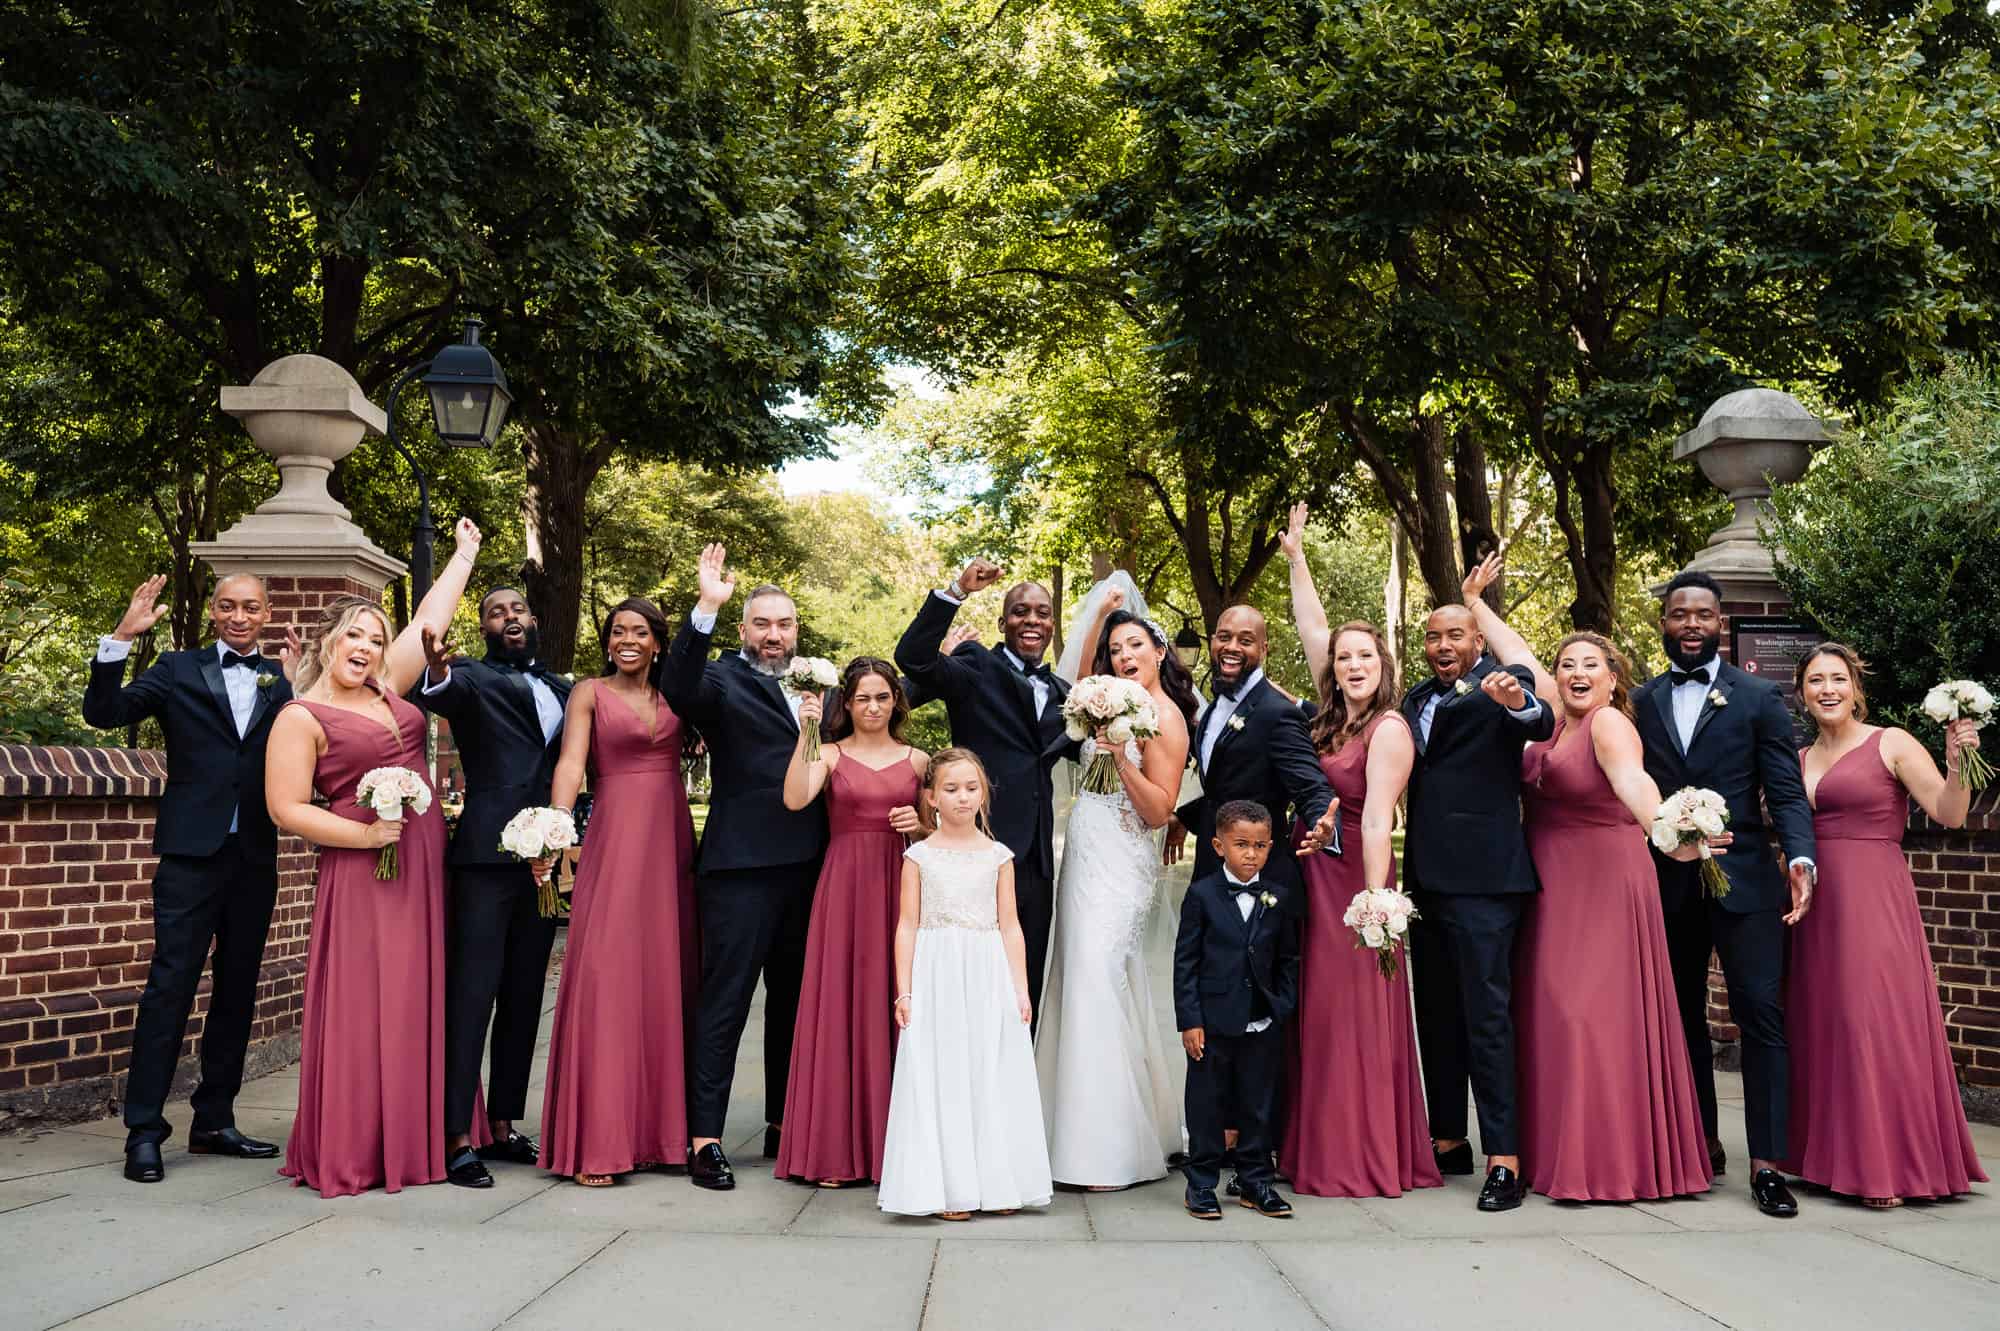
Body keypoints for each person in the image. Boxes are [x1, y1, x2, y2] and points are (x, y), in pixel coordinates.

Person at [1462, 555, 1712, 1202]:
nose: (1574, 673)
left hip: (1605, 879)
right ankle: (1556, 1153)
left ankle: (1607, 1159)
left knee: (1589, 1015)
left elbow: (1635, 784)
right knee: (1548, 1012)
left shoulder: (1606, 723)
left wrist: (1674, 834)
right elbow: (1515, 648)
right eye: (1566, 664)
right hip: (1549, 884)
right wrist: (1474, 600)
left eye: (1588, 665)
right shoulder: (1553, 716)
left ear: (1613, 679)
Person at [264, 518, 483, 1197]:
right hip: (361, 869)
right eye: (354, 635)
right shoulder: (301, 716)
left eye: (375, 637)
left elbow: (427, 619)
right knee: (367, 1001)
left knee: (421, 991)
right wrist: (361, 837)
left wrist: (464, 556)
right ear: (330, 641)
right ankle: (359, 1143)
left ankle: (426, 1133)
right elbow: (286, 806)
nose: (366, 646)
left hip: (420, 862)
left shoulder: (391, 685)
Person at [83, 573, 297, 1185]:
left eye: (250, 607)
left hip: (255, 855)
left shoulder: (280, 681)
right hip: (188, 854)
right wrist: (123, 636)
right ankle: (144, 1131)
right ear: (211, 611)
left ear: (265, 613)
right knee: (170, 987)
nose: (238, 616)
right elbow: (104, 713)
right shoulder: (178, 669)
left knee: (237, 988)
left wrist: (301, 684)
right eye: (227, 605)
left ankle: (215, 1119)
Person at [1632, 570, 1817, 1219]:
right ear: (1664, 623)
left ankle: (1767, 1162)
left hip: (1747, 884)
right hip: (1669, 885)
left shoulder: (1758, 698)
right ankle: (1698, 1142)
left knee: (1760, 1015)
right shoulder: (1641, 699)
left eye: (1702, 615)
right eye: (1678, 614)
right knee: (1680, 1019)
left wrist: (1800, 855)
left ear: (1721, 623)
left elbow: (1785, 790)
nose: (1690, 624)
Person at [1782, 644, 1987, 1208]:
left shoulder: (1889, 742)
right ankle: (1824, 1159)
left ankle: (1886, 1166)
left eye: (1838, 680)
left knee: (1870, 1019)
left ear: (1856, 688)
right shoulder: (1796, 757)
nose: (1827, 689)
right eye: (1816, 681)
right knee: (1822, 1022)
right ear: (1801, 692)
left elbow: (1950, 813)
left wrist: (1958, 761)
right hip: (1813, 902)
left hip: (1873, 896)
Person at [1277, 507, 1439, 1198]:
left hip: (1354, 881)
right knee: (1312, 1009)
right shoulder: (1329, 715)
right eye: (1344, 658)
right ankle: (1310, 1137)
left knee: (1349, 1010)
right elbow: (1315, 627)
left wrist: (1374, 901)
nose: (1351, 664)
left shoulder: (1390, 728)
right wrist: (1296, 558)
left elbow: (1377, 819)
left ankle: (1358, 1150)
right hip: (1310, 867)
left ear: (1384, 665)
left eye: (1364, 656)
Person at [664, 543, 825, 1190]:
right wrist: (706, 602)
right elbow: (677, 687)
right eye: (762, 623)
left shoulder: (819, 682)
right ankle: (704, 1137)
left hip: (812, 863)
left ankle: (787, 1124)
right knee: (725, 1001)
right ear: (743, 630)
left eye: (784, 624)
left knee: (794, 1000)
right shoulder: (720, 679)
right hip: (740, 867)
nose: (774, 634)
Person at [535, 597, 700, 1187]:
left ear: (658, 642)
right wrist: (555, 828)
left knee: (665, 976)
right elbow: (572, 764)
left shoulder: (679, 694)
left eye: (639, 632)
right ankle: (597, 1140)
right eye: (617, 632)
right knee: (607, 972)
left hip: (671, 841)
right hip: (616, 834)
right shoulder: (588, 692)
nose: (626, 640)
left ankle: (658, 1136)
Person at [1036, 586, 1196, 1190]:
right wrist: (1100, 617)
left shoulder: (1166, 718)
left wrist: (1118, 756)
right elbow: (1077, 684)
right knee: (1076, 971)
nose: (1124, 654)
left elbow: (1159, 811)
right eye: (1115, 648)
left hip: (1125, 857)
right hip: (1084, 844)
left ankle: (1104, 1151)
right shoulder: (1103, 700)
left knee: (1099, 974)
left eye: (1135, 644)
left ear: (1158, 650)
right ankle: (1067, 1130)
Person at [413, 585, 571, 1188]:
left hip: (545, 860)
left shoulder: (563, 687)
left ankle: (503, 1124)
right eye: (495, 611)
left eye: (517, 609)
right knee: (472, 994)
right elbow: (440, 692)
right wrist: (436, 666)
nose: (509, 617)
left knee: (526, 993)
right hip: (484, 856)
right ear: (483, 626)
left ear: (534, 619)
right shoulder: (470, 676)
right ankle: (457, 1134)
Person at [1400, 595, 1552, 1212]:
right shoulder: (1412, 700)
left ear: (1474, 640)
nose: (1442, 646)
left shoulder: (1502, 683)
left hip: (1488, 883)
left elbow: (1536, 718)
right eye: (1434, 636)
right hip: (1426, 881)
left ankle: (1505, 1158)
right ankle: (1448, 1138)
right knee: (1436, 1014)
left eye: (1455, 635)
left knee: (1488, 1019)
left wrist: (1518, 702)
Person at [893, 558, 1077, 1021]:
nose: (1032, 620)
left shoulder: (1064, 692)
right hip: (975, 848)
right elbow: (913, 658)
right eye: (1020, 611)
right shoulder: (975, 666)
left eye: (1042, 612)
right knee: (968, 981)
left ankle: (1012, 1082)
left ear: (1053, 624)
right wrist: (956, 591)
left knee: (1022, 985)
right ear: (1003, 622)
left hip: (1034, 862)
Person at [877, 749, 1052, 1219]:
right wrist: (905, 990)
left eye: (971, 788)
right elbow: (907, 925)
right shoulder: (919, 856)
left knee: (987, 1067)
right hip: (936, 972)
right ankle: (947, 1188)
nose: (962, 797)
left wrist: (1021, 988)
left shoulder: (999, 856)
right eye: (951, 789)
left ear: (984, 794)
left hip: (986, 970)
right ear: (931, 798)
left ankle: (997, 1183)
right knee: (943, 1071)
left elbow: (1011, 925)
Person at [774, 657, 928, 1188]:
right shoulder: (832, 755)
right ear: (848, 703)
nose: (872, 707)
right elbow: (794, 798)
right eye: (862, 698)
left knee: (895, 1001)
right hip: (843, 889)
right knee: (841, 1007)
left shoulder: (919, 761)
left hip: (899, 887)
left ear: (896, 702)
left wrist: (922, 824)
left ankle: (895, 1146)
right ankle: (835, 1149)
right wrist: (808, 729)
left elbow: (948, 830)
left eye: (882, 697)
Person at [1175, 800, 1299, 1222]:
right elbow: (1185, 962)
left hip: (1262, 1021)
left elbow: (1288, 959)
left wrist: (1282, 1005)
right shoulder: (1202, 895)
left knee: (1258, 1103)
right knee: (1207, 1103)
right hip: (1212, 1022)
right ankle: (1202, 1184)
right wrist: (1190, 1019)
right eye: (1241, 844)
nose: (1251, 854)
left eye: (1261, 845)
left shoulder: (1279, 897)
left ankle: (1256, 1180)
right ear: (1218, 845)